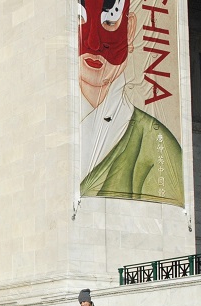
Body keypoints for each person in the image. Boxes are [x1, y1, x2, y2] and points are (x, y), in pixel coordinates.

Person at [78, 0, 183, 206]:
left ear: (130, 29)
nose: (93, 43)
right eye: (79, 18)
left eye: (110, 21)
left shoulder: (156, 145)